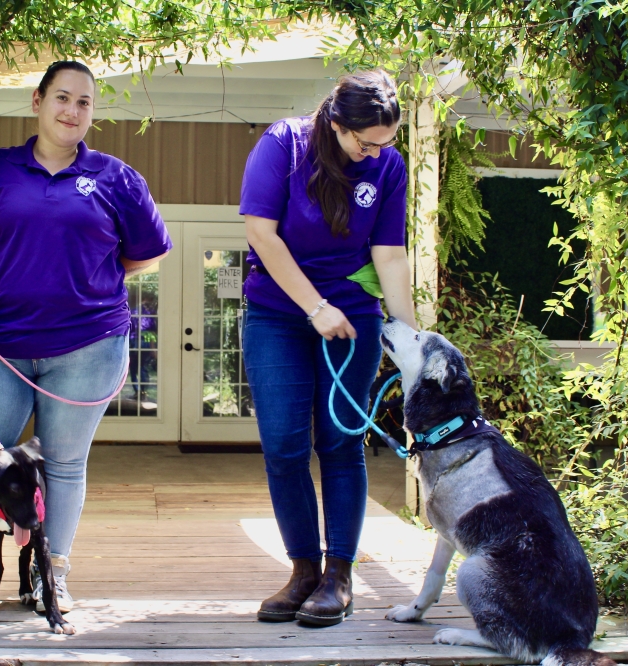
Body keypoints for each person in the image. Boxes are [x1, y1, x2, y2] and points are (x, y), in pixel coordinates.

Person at [0, 61, 172, 613]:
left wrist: (89, 278)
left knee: (65, 463)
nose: (72, 111)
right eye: (62, 98)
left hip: (88, 346)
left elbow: (146, 255)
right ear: (38, 101)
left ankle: (50, 572)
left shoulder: (117, 178)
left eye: (85, 103)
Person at [240, 70, 417, 627]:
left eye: (383, 144)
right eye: (364, 142)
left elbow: (389, 254)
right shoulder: (284, 145)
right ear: (335, 123)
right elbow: (260, 233)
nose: (373, 154)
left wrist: (409, 339)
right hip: (279, 314)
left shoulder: (386, 165)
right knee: (284, 447)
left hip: (351, 320)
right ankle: (303, 572)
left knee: (340, 442)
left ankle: (339, 576)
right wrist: (315, 307)